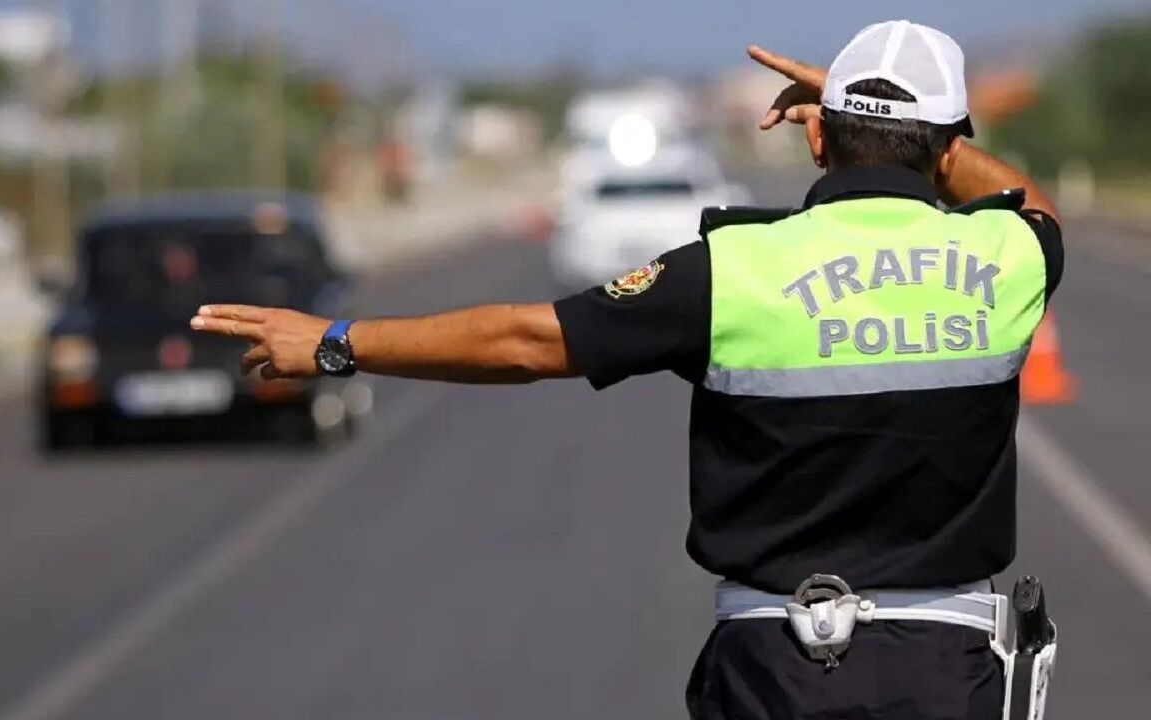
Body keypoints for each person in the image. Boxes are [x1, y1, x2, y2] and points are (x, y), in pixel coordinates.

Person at [192, 20, 1062, 720]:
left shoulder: (731, 270)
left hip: (778, 670)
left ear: (819, 139)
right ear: (946, 150)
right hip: (948, 671)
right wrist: (918, 136)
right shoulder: (1008, 256)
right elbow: (1029, 203)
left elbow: (528, 340)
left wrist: (338, 341)